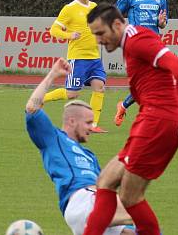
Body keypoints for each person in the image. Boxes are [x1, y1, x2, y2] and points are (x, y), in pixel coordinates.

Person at [82, 3, 178, 235]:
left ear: (117, 24)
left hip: (159, 121)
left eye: (101, 33)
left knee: (130, 197)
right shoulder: (131, 41)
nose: (99, 40)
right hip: (154, 119)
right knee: (106, 181)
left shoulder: (137, 40)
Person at [25, 59, 136, 235]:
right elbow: (32, 108)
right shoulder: (53, 139)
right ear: (71, 121)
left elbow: (105, 184)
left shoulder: (89, 155)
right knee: (140, 215)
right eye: (88, 123)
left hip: (96, 200)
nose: (92, 127)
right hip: (81, 200)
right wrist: (53, 74)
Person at [44, 0, 107, 133]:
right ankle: (41, 99)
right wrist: (70, 35)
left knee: (99, 87)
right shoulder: (69, 9)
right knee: (72, 94)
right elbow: (54, 30)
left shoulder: (95, 7)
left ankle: (93, 125)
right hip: (78, 58)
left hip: (94, 58)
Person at [114, 0, 168, 127]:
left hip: (154, 45)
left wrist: (161, 22)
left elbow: (164, 23)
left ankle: (125, 106)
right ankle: (132, 109)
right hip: (136, 45)